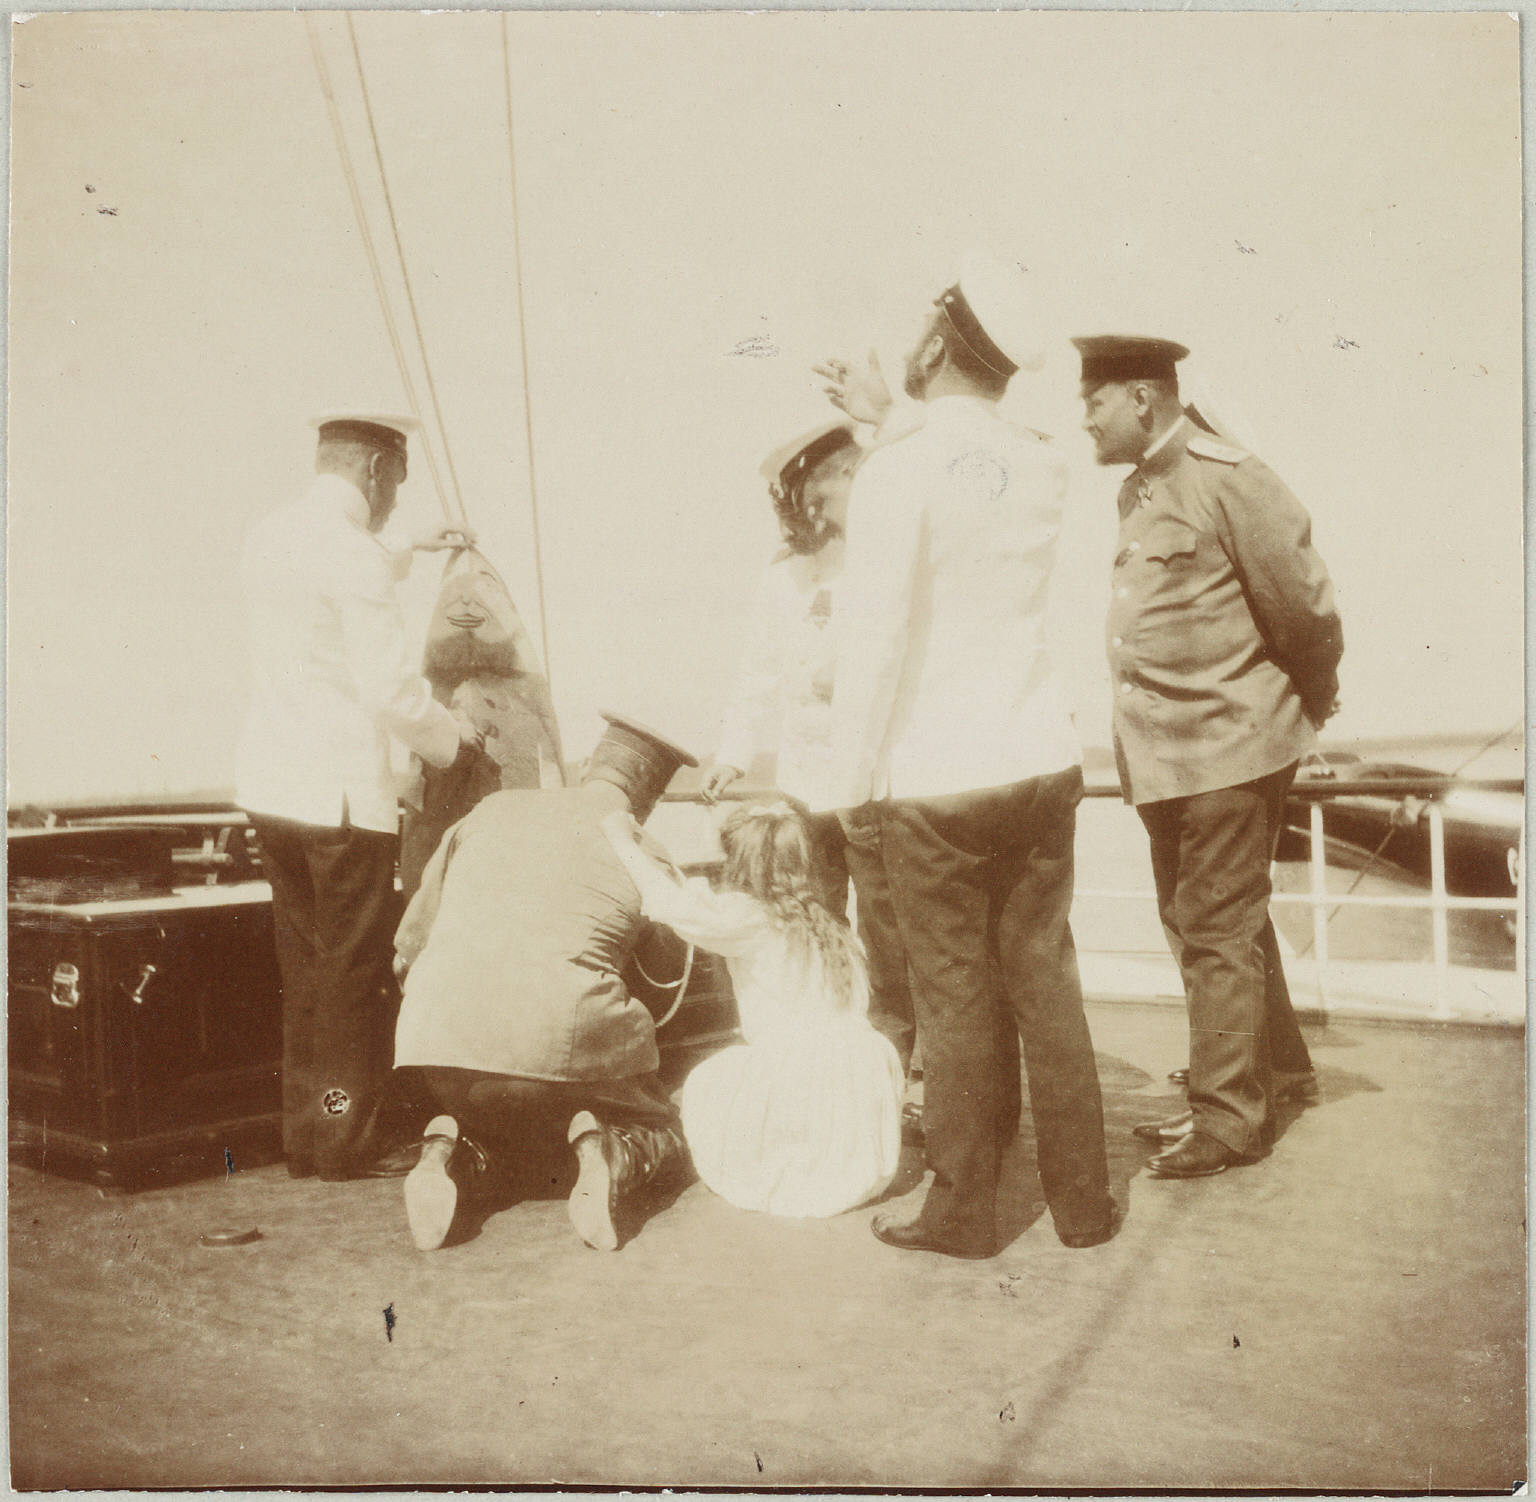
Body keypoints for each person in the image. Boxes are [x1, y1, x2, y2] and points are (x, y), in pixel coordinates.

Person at [813, 255, 1115, 1258]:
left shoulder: (898, 469)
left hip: (937, 778)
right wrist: (889, 418)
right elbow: (966, 469)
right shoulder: (1041, 461)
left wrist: (849, 786)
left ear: (939, 341)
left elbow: (874, 642)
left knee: (954, 996)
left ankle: (963, 1211)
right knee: (1045, 981)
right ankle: (1084, 1205)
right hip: (1039, 759)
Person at [1073, 334, 1343, 1178]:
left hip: (1230, 744)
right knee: (1220, 923)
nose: (1084, 419)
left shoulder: (1229, 476)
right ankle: (1276, 1074)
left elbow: (1304, 610)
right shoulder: (1140, 489)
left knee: (1214, 931)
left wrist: (1306, 701)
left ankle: (1228, 1121)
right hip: (1167, 755)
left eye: (1094, 402)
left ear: (1142, 398)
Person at [237, 410, 481, 1181]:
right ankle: (342, 1140)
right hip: (341, 805)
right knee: (349, 977)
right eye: (396, 484)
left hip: (273, 794)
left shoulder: (271, 536)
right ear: (377, 471)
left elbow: (351, 561)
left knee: (306, 973)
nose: (394, 500)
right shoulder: (352, 553)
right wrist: (455, 742)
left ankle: (306, 1139)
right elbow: (390, 691)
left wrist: (413, 545)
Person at [391, 714, 698, 1253]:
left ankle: (451, 1151)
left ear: (590, 766)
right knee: (669, 1127)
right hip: (555, 1043)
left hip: (434, 1051)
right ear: (649, 798)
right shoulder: (639, 844)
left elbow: (408, 949)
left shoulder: (491, 809)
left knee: (512, 1119)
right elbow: (666, 981)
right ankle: (617, 1154)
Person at [703, 421, 916, 1074]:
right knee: (816, 923)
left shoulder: (882, 561)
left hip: (872, 783)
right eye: (804, 502)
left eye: (821, 499)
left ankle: (894, 1062)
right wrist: (732, 754)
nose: (812, 514)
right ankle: (831, 1053)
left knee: (888, 930)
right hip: (805, 783)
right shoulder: (784, 577)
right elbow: (758, 671)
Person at [603, 800, 904, 1219]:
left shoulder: (750, 917)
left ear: (740, 865)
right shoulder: (829, 924)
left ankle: (631, 1152)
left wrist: (621, 838)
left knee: (706, 1085)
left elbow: (669, 904)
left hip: (803, 1079)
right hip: (855, 1091)